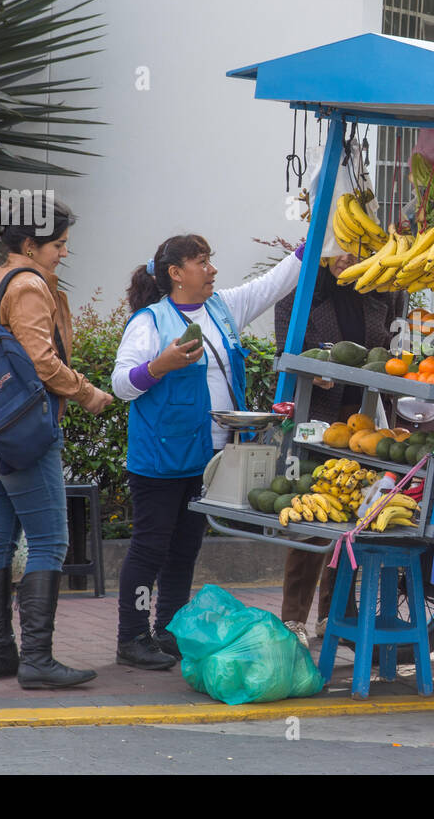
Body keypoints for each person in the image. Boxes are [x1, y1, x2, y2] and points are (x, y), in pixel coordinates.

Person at [111, 235, 303, 668]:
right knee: (149, 547)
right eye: (202, 261)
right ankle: (132, 637)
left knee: (185, 548)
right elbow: (121, 385)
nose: (212, 269)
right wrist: (159, 365)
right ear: (176, 274)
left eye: (210, 260)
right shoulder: (150, 322)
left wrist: (311, 245)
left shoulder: (222, 308)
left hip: (210, 454)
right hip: (161, 457)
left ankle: (170, 629)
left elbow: (273, 284)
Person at [0, 201, 114, 690]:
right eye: (59, 244)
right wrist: (90, 395)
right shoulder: (28, 287)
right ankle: (38, 660)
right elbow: (42, 364)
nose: (64, 253)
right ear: (30, 245)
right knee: (50, 540)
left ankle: (0, 654)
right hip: (26, 432)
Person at [273, 253, 405, 646]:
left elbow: (392, 352)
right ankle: (294, 617)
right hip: (316, 422)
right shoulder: (297, 296)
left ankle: (335, 615)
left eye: (356, 250)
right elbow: (283, 356)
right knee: (312, 518)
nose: (345, 258)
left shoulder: (383, 293)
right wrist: (311, 372)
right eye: (337, 248)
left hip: (363, 421)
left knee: (353, 518)